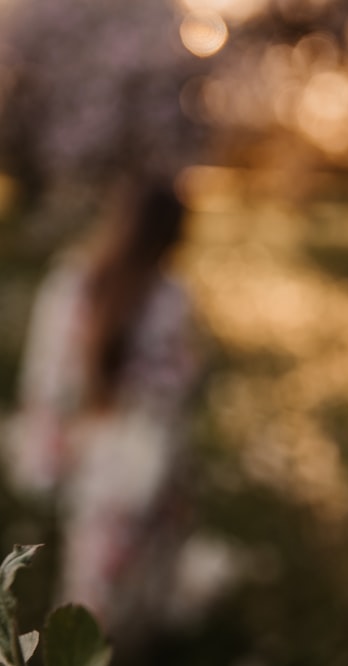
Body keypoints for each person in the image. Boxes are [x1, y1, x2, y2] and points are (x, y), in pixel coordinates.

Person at [5, 174, 202, 654]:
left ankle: (80, 651)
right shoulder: (169, 295)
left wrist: (48, 454)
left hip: (93, 457)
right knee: (133, 584)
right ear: (175, 235)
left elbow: (46, 381)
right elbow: (177, 388)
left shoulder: (74, 282)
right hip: (142, 460)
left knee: (90, 583)